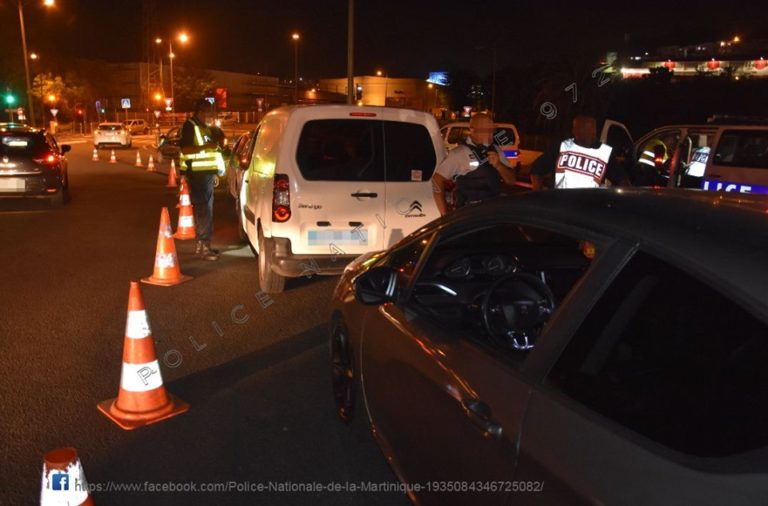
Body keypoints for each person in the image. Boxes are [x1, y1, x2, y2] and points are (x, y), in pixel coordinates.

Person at [431, 113, 516, 215]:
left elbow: (512, 180)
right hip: (469, 217)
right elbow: (437, 179)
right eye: (485, 130)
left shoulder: (497, 150)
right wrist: (444, 214)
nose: (490, 134)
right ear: (473, 130)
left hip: (493, 214)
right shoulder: (459, 153)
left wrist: (499, 165)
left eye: (491, 130)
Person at [179, 100, 226, 261]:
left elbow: (210, 152)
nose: (210, 117)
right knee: (204, 210)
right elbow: (185, 149)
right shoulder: (190, 126)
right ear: (200, 112)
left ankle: (202, 245)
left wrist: (214, 172)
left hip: (206, 174)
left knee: (205, 210)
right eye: (208, 113)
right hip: (198, 175)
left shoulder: (203, 128)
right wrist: (206, 148)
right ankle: (204, 246)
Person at [531, 114, 628, 190]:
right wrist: (539, 195)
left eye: (585, 129)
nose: (580, 132)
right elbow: (536, 170)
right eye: (578, 128)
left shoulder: (604, 153)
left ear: (594, 130)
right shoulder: (563, 147)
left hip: (586, 210)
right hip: (560, 206)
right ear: (573, 130)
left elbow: (623, 181)